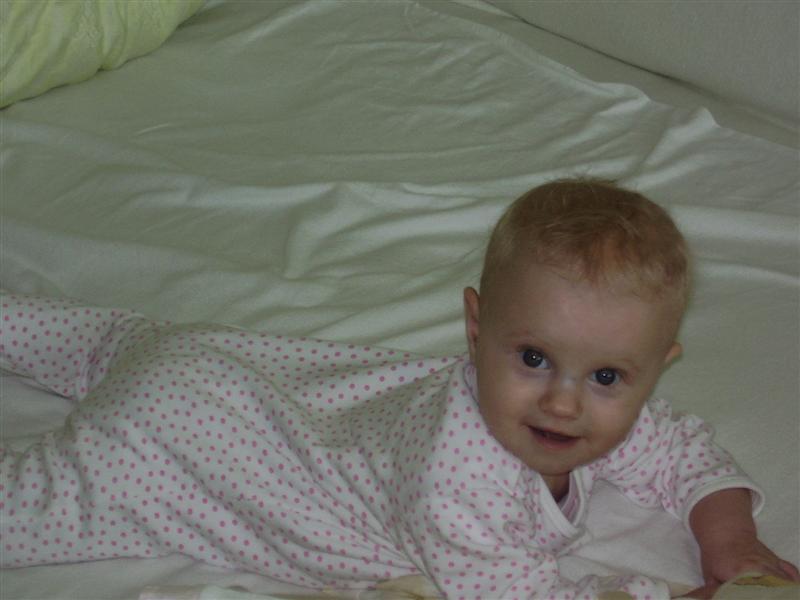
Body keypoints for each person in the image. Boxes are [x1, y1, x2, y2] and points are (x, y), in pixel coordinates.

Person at [1, 179, 797, 600]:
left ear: (655, 366)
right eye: (532, 357)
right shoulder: (461, 479)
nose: (563, 402)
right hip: (169, 459)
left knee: (94, 339)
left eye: (608, 377)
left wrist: (727, 534)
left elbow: (677, 448)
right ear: (476, 327)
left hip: (210, 361)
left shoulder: (583, 411)